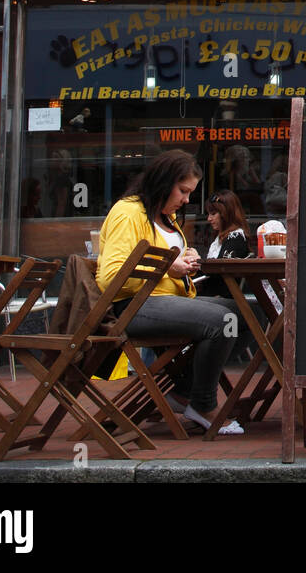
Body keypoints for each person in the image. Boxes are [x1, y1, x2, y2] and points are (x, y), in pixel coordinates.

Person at [96, 150, 244, 435]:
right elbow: (111, 276)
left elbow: (161, 259)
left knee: (246, 312)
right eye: (184, 190)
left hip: (168, 301)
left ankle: (184, 391)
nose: (187, 199)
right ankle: (201, 403)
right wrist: (168, 268)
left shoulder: (167, 217)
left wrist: (184, 260)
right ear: (163, 181)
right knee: (222, 321)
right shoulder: (128, 212)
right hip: (133, 306)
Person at [196, 189, 252, 299]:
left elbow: (220, 272)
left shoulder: (235, 237)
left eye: (213, 214)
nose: (209, 219)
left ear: (226, 213)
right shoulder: (221, 238)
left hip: (220, 298)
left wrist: (197, 261)